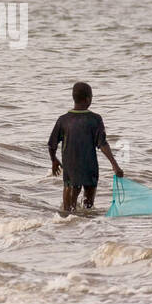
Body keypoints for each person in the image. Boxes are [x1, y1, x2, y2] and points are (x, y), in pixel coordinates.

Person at [49, 81, 123, 214]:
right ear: (88, 99)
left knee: (68, 208)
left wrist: (54, 160)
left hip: (71, 167)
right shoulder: (95, 119)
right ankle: (86, 227)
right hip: (90, 167)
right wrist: (115, 165)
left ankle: (67, 225)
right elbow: (103, 144)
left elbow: (52, 144)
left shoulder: (63, 120)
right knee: (88, 206)